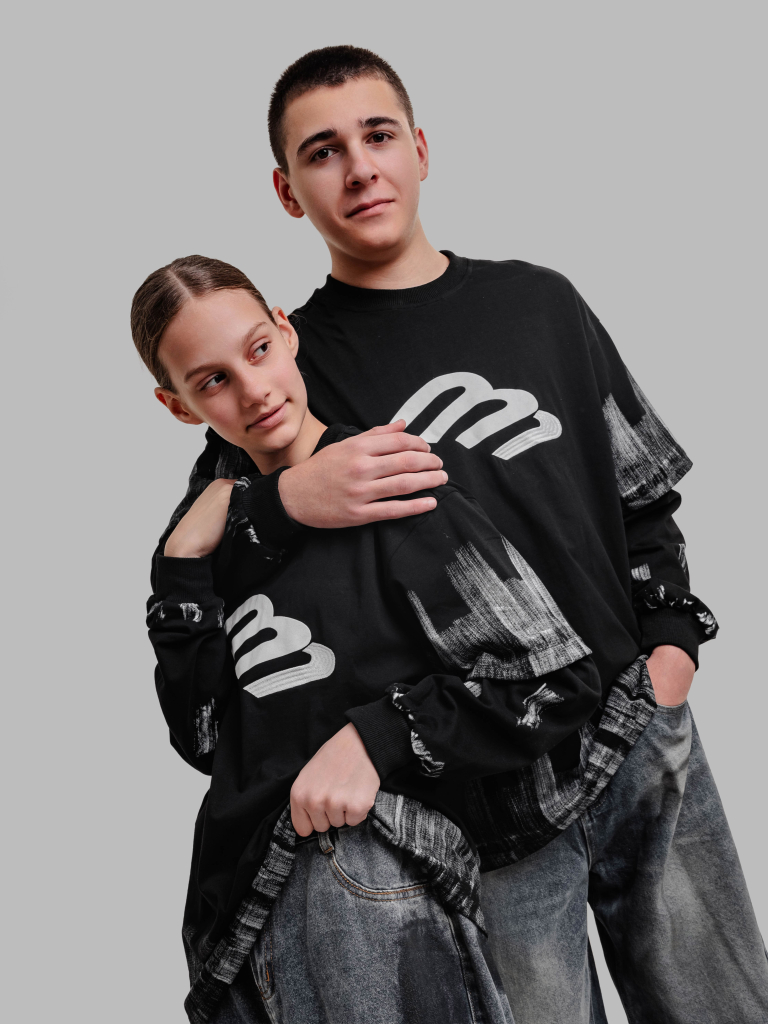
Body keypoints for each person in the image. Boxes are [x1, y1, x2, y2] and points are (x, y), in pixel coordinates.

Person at [152, 46, 768, 1024]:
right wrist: (286, 501)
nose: (360, 168)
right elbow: (220, 551)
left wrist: (670, 652)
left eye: (378, 135)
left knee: (724, 1004)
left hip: (634, 725)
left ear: (422, 149)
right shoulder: (288, 371)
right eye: (323, 151)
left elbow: (643, 497)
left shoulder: (540, 304)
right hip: (482, 796)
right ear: (287, 191)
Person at [132, 254, 611, 1023]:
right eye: (213, 380)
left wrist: (379, 737)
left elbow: (551, 676)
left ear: (286, 332)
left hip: (375, 897)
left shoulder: (393, 484)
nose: (254, 391)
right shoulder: (215, 536)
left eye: (258, 350)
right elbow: (205, 739)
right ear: (178, 406)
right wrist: (181, 569)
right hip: (242, 924)